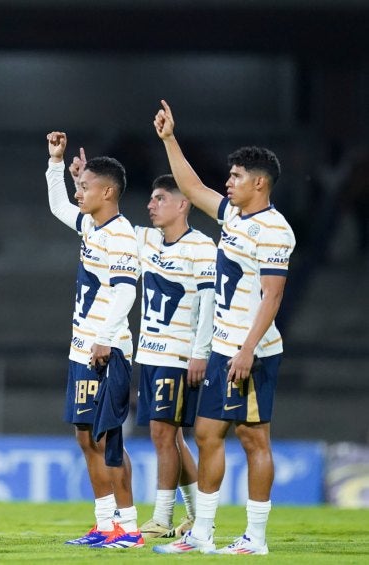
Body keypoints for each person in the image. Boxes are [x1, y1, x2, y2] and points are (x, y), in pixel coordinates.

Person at [152, 100, 295, 556]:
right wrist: (169, 139)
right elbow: (192, 187)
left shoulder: (275, 231)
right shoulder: (233, 215)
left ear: (259, 183)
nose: (227, 182)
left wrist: (247, 349)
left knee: (254, 438)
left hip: (251, 352)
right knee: (206, 433)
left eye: (235, 176)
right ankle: (202, 534)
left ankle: (255, 538)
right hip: (222, 347)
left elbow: (272, 296)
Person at [45, 132, 142, 549]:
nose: (77, 191)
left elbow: (126, 291)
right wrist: (56, 163)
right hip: (82, 347)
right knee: (85, 436)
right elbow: (57, 206)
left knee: (108, 438)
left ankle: (130, 527)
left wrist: (103, 338)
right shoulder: (91, 225)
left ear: (108, 192)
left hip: (108, 348)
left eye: (84, 186)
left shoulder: (122, 235)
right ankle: (105, 524)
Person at [130, 174, 216, 539]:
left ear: (183, 204)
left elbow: (209, 303)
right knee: (173, 438)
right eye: (151, 198)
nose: (151, 205)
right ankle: (195, 517)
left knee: (163, 435)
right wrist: (77, 184)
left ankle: (162, 519)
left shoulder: (202, 247)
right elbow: (100, 224)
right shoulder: (146, 239)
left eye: (160, 198)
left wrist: (200, 353)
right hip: (149, 354)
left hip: (178, 356)